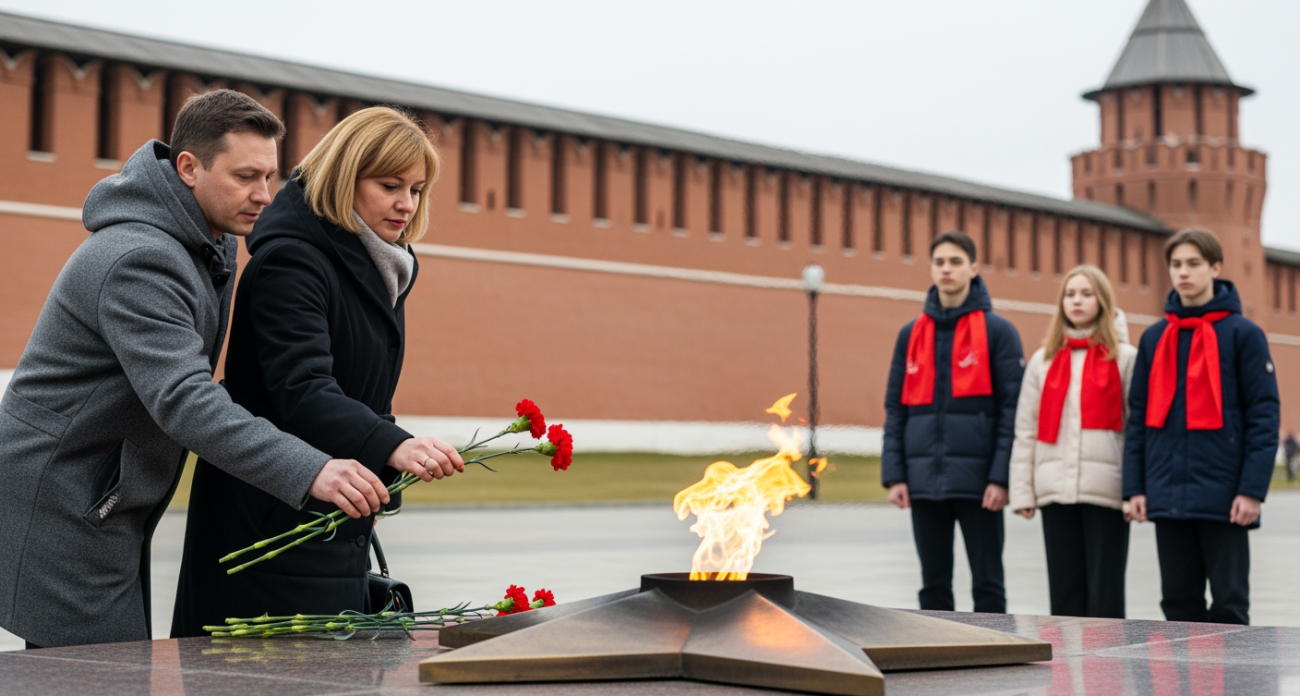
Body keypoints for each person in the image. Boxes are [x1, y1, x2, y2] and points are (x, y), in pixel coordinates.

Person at [0, 90, 398, 649]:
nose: (263, 195)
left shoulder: (208, 243)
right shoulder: (140, 259)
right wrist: (311, 469)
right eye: (244, 176)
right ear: (188, 167)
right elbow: (185, 399)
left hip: (106, 493)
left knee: (102, 669)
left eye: (270, 176)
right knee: (98, 674)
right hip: (61, 500)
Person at [172, 107, 464, 637]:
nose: (406, 203)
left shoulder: (381, 264)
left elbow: (364, 395)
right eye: (390, 185)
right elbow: (302, 389)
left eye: (417, 189)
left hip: (330, 517)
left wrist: (380, 479)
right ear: (345, 177)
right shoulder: (294, 260)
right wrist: (392, 444)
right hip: (267, 519)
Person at [1124, 229, 1279, 625]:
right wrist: (1135, 488)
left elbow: (1263, 416)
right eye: (1176, 265)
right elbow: (1138, 418)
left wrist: (1251, 490)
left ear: (1215, 268)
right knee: (1177, 603)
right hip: (1167, 492)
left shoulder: (1244, 334)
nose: (1183, 273)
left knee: (1229, 604)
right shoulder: (1156, 338)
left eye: (1193, 264)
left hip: (1225, 496)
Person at [882, 230, 1024, 613]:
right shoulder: (910, 335)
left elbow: (1013, 412)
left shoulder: (999, 333)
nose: (947, 269)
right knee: (933, 586)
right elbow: (896, 408)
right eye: (940, 262)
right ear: (931, 268)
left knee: (988, 584)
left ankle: (995, 657)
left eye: (956, 262)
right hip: (924, 480)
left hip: (980, 484)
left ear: (974, 268)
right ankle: (937, 656)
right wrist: (895, 475)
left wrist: (1000, 477)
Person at [1009, 265, 1137, 618]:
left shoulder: (1125, 358)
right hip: (1055, 491)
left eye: (1086, 294)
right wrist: (1023, 491)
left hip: (1107, 492)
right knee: (1064, 597)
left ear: (1103, 300)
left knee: (1105, 598)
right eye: (1070, 294)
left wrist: (1133, 491)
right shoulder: (1043, 361)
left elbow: (1134, 430)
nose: (1076, 301)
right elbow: (1026, 430)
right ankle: (1067, 671)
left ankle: (1107, 672)